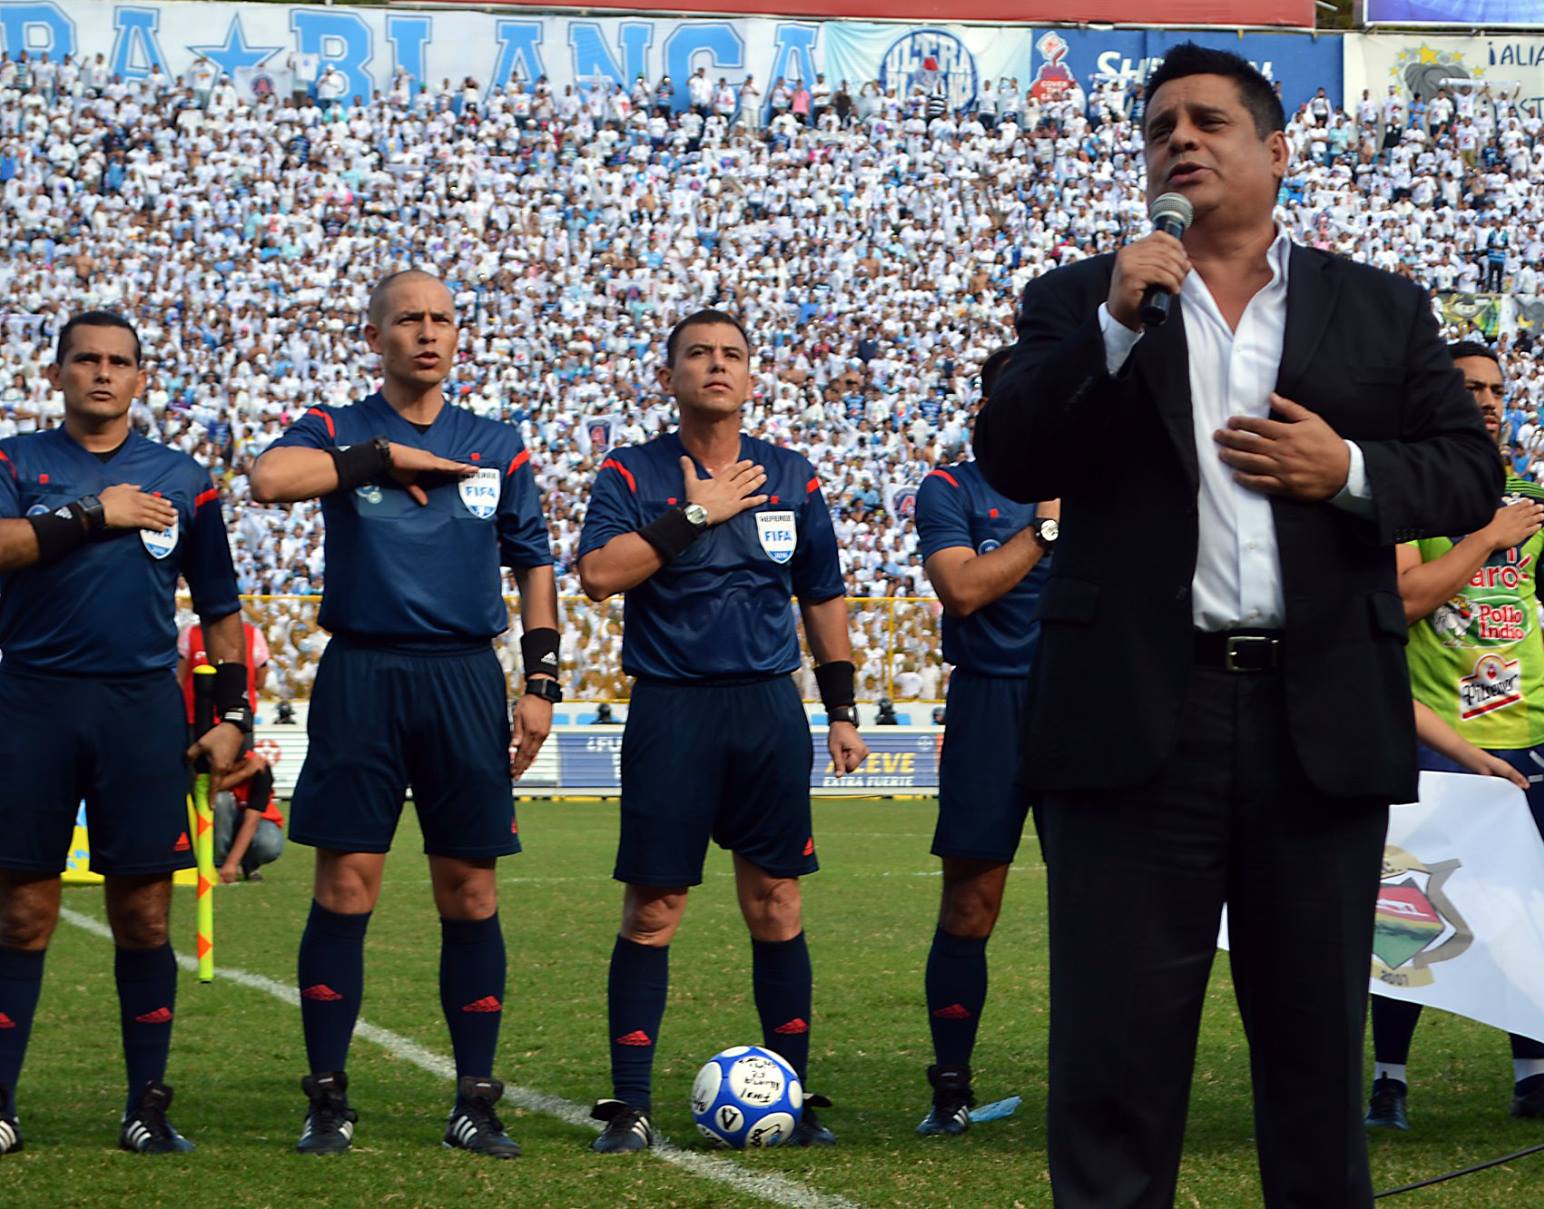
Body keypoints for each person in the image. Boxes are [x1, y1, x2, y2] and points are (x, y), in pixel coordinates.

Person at [973, 44, 1502, 1208]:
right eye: (1159, 125)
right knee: (1112, 1062)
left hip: (1315, 723)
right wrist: (1112, 330)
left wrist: (1346, 469)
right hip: (1129, 723)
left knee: (1313, 1061)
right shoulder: (1078, 298)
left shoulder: (1378, 308)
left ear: (1275, 149)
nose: (1178, 138)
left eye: (1207, 120)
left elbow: (1471, 473)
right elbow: (1009, 453)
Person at [248, 270, 560, 1158]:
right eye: (409, 319)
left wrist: (541, 682)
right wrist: (381, 458)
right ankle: (327, 1098)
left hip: (464, 674)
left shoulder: (495, 442)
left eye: (442, 319)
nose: (428, 332)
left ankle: (475, 1099)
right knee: (346, 884)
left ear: (458, 336)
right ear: (374, 336)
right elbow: (269, 478)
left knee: (471, 888)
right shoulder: (338, 426)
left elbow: (533, 561)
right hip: (364, 671)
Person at [574, 309, 867, 1153]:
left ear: (750, 375)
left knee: (777, 901)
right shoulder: (631, 472)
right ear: (669, 376)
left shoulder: (792, 474)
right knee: (655, 906)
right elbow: (597, 575)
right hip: (673, 707)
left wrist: (841, 710)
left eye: (732, 354)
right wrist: (693, 516)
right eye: (698, 353)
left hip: (768, 708)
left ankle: (793, 1094)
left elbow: (822, 594)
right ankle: (630, 1104)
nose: (716, 365)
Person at [0, 311, 254, 1154]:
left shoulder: (183, 477)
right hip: (31, 701)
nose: (103, 373)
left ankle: (147, 1106)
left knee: (144, 914)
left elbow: (220, 608)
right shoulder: (15, 460)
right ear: (57, 373)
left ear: (141, 379)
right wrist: (92, 514)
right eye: (86, 359)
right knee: (21, 912)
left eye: (119, 361)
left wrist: (231, 718)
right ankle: (0, 1104)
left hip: (141, 710)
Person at [1368, 339, 1544, 1132]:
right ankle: (1389, 1080)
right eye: (1467, 387)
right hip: (1434, 744)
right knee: (1407, 912)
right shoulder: (1406, 490)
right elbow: (1404, 599)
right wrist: (1486, 536)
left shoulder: (1536, 502)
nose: (1486, 400)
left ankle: (1533, 1077)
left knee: (1529, 913)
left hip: (1527, 738)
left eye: (1496, 389)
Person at [909, 346, 1054, 1136]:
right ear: (987, 410)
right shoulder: (951, 485)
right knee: (971, 898)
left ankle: (1100, 1084)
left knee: (1098, 903)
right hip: (989, 702)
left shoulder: (1104, 480)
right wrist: (1046, 527)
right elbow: (963, 589)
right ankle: (951, 1088)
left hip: (1084, 704)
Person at [178, 618, 283, 883]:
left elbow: (260, 678)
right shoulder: (189, 634)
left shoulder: (252, 634)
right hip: (198, 721)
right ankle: (211, 858)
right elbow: (180, 677)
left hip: (235, 719)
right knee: (210, 791)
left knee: (264, 835)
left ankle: (243, 862)